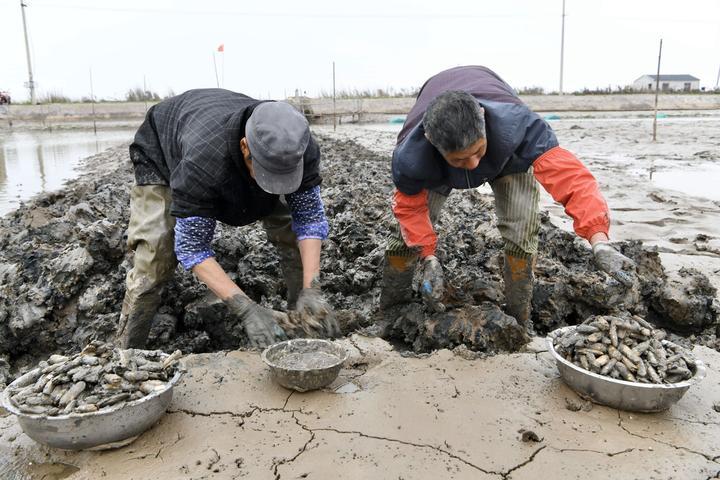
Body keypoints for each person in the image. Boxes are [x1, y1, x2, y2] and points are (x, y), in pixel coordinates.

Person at [381, 66, 635, 331]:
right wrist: (428, 258)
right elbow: (410, 211)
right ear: (431, 141)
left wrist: (599, 241)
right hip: (437, 167)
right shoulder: (412, 158)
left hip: (506, 153)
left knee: (521, 226)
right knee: (404, 237)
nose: (473, 164)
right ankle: (391, 311)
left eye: (478, 151)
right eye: (460, 160)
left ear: (483, 117)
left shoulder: (521, 128)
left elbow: (572, 180)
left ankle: (519, 317)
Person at [116, 88, 338, 349]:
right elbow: (192, 247)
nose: (275, 186)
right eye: (267, 174)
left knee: (290, 231)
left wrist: (312, 288)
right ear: (245, 147)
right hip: (164, 147)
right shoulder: (202, 162)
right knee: (156, 256)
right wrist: (246, 309)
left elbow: (309, 219)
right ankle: (127, 352)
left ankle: (302, 321)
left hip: (222, 140)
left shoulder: (298, 145)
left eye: (284, 177)